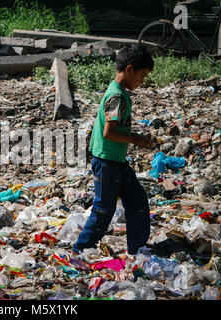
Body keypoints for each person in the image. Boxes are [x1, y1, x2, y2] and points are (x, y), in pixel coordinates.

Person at [72, 45, 154, 255]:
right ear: (129, 69)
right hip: (107, 161)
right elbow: (109, 132)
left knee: (137, 201)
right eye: (142, 75)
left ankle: (138, 249)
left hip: (116, 160)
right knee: (103, 209)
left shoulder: (118, 94)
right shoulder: (116, 97)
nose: (142, 82)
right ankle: (80, 249)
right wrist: (135, 139)